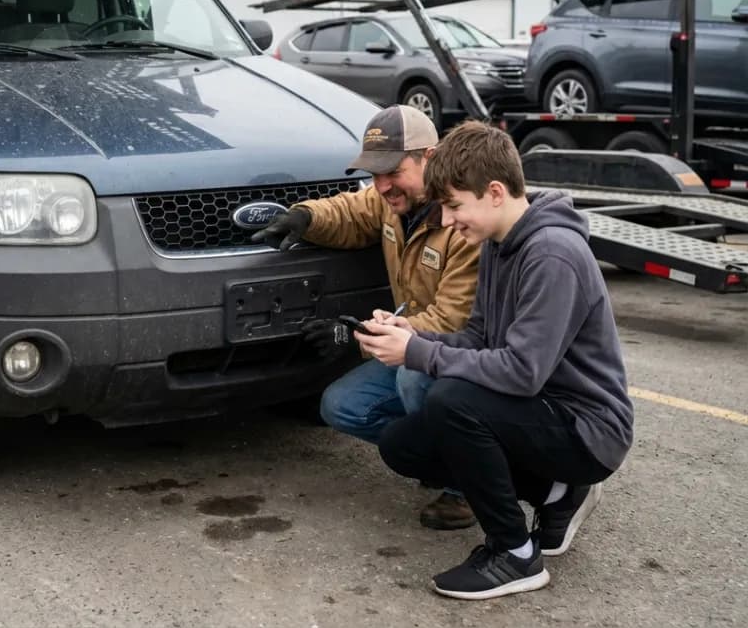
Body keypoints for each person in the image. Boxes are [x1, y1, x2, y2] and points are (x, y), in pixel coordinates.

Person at [355, 120, 634, 600]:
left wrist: (419, 354)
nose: (446, 221)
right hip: (540, 414)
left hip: (588, 428)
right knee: (403, 445)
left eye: (454, 206)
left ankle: (515, 555)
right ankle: (557, 493)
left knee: (451, 402)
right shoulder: (498, 246)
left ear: (496, 192)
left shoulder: (553, 254)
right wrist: (411, 332)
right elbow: (480, 338)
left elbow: (523, 372)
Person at [252, 105, 481, 529]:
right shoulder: (391, 202)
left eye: (392, 171)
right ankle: (445, 460)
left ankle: (470, 485)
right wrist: (304, 216)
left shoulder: (465, 222)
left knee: (414, 374)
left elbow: (451, 322)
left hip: (461, 361)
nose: (381, 185)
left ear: (429, 158)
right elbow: (351, 211)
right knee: (343, 406)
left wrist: (353, 334)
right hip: (408, 341)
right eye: (374, 173)